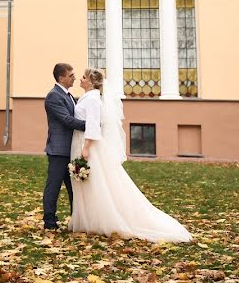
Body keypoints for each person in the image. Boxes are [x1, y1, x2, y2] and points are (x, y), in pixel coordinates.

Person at [68, 68, 192, 242]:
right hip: (79, 142)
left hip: (87, 145)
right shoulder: (89, 97)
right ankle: (88, 220)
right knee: (88, 183)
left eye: (83, 77)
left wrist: (86, 148)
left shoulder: (94, 99)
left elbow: (93, 125)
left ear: (91, 81)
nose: (80, 79)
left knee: (96, 182)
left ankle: (103, 220)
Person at [42, 63, 86, 230]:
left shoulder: (68, 95)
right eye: (71, 75)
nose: (74, 77)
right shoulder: (54, 96)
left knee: (74, 188)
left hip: (71, 149)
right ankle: (49, 222)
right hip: (59, 150)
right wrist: (91, 125)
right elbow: (67, 120)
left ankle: (77, 220)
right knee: (53, 186)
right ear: (61, 78)